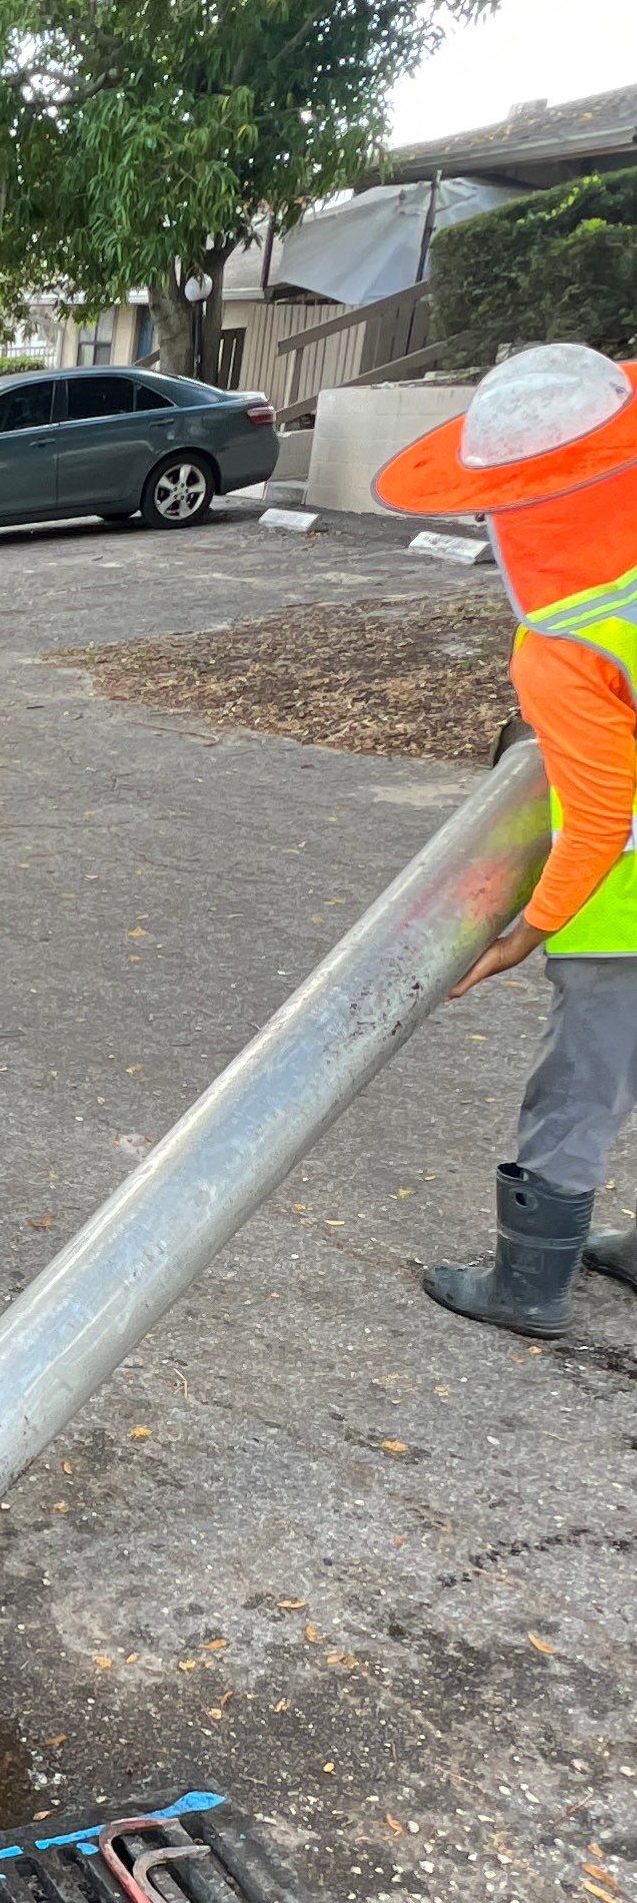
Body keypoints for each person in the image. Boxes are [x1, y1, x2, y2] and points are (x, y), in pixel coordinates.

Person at [374, 341, 637, 1337]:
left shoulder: (571, 639)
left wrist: (532, 927)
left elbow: (603, 817)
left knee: (579, 1089)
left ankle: (531, 1287)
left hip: (623, 914)